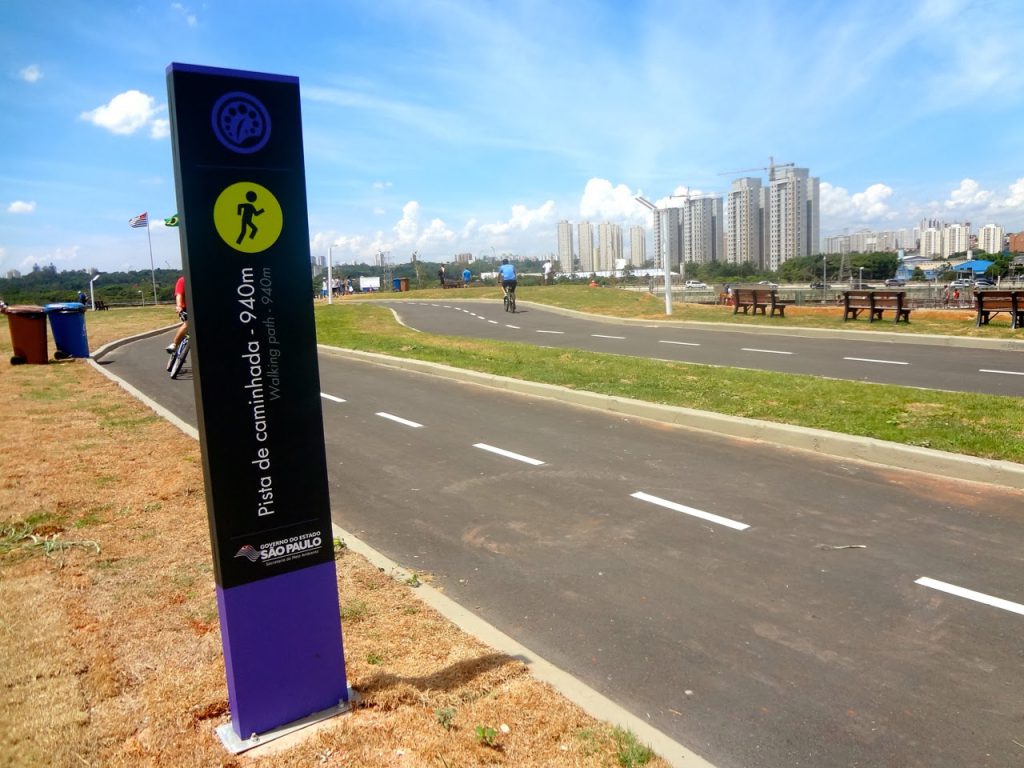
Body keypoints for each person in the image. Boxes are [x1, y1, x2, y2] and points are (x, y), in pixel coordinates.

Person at [166, 276, 188, 354]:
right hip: (185, 308)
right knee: (188, 324)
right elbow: (179, 294)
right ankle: (174, 344)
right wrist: (179, 306)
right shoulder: (182, 280)